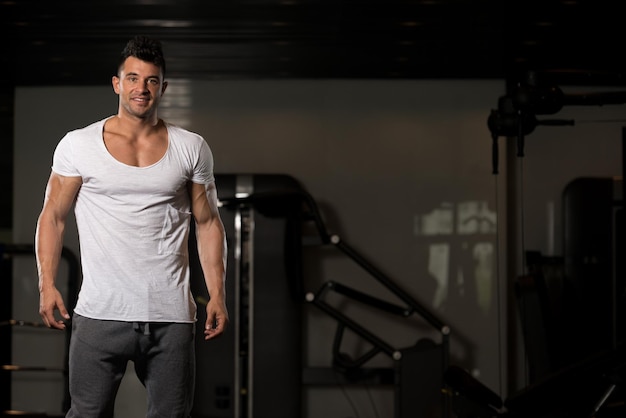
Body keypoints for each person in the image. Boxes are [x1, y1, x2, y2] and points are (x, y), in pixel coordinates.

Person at [35, 35, 229, 417]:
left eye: (152, 80)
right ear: (117, 83)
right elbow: (52, 216)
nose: (142, 88)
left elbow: (208, 224)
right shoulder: (79, 145)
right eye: (134, 78)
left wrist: (218, 294)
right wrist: (46, 284)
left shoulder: (190, 147)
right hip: (100, 313)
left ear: (163, 87)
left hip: (170, 314)